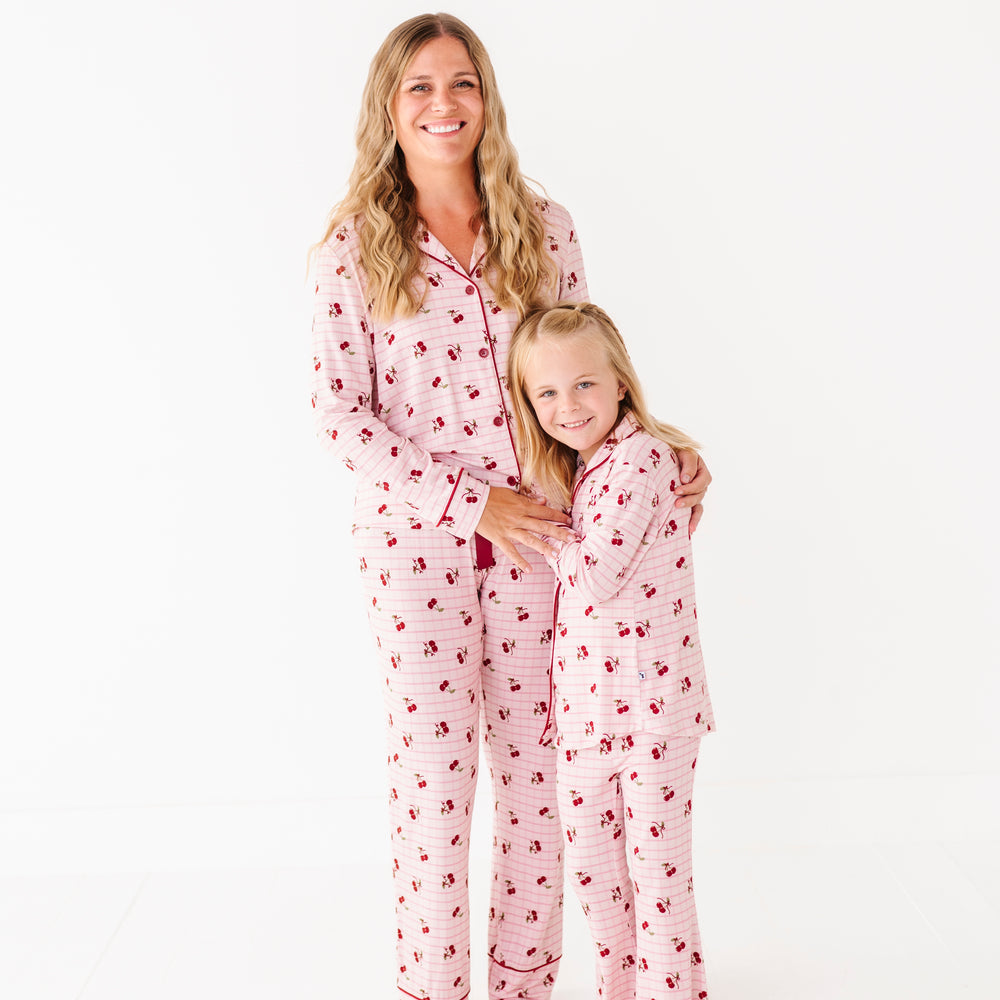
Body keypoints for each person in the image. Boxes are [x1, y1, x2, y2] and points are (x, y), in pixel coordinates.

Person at [310, 14, 712, 1000]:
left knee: (541, 782)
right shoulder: (350, 249)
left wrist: (660, 453)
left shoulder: (545, 227)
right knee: (435, 784)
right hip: (413, 552)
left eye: (461, 83)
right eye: (419, 87)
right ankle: (433, 987)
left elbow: (586, 369)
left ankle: (522, 986)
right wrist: (466, 501)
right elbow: (339, 416)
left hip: (543, 545)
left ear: (486, 98)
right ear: (388, 108)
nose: (442, 105)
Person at [507, 301, 714, 1000]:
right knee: (597, 881)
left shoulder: (645, 460)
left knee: (657, 878)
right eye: (547, 393)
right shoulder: (584, 469)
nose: (567, 406)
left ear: (620, 382)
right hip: (585, 718)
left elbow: (596, 575)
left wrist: (540, 530)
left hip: (653, 713)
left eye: (584, 384)